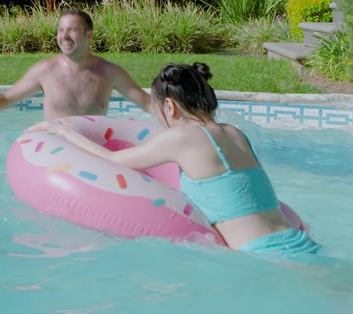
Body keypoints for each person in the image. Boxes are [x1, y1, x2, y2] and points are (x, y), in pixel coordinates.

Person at [28, 63, 319, 258]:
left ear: (170, 106)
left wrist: (64, 133)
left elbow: (113, 159)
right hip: (299, 242)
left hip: (262, 255)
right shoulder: (235, 134)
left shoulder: (182, 139)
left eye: (157, 112)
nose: (158, 120)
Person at [0, 7, 151, 128]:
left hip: (95, 147)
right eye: (61, 30)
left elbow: (147, 103)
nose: (64, 36)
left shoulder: (109, 72)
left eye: (72, 29)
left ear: (89, 35)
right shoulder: (45, 71)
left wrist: (176, 118)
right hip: (57, 148)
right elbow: (7, 98)